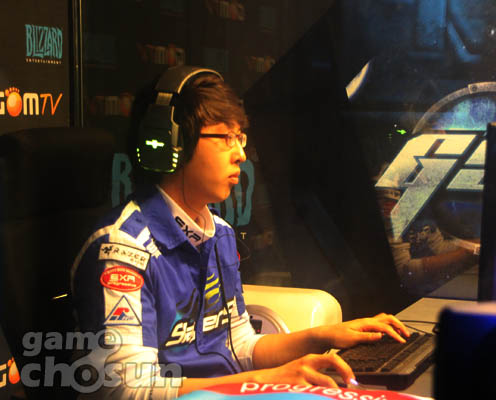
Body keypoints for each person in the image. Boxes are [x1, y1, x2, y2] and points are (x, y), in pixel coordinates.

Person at [71, 66, 409, 399]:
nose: (241, 154)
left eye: (240, 137)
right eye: (226, 138)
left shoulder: (218, 233)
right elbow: (127, 389)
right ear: (174, 142)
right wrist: (267, 381)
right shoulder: (122, 249)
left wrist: (325, 336)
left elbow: (240, 346)